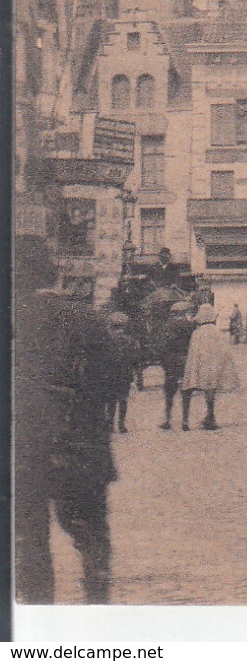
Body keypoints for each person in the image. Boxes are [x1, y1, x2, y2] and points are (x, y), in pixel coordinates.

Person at [15, 244, 120, 605]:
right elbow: (112, 380)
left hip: (24, 447)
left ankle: (37, 613)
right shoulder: (85, 316)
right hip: (82, 441)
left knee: (28, 540)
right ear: (53, 273)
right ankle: (97, 594)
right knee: (91, 531)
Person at [181, 305, 241, 429]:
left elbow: (193, 352)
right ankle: (210, 417)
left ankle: (185, 422)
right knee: (210, 391)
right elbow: (223, 351)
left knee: (188, 389)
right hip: (212, 365)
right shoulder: (216, 331)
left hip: (197, 365)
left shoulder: (197, 333)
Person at [101, 312, 142, 435]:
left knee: (112, 400)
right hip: (124, 374)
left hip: (112, 374)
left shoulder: (107, 341)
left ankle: (111, 424)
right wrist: (138, 376)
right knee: (122, 400)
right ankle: (121, 425)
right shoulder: (131, 341)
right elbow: (137, 359)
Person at [158, 300, 195, 430]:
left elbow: (163, 344)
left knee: (169, 392)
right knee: (186, 391)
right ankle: (185, 422)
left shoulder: (168, 325)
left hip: (171, 360)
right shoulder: (190, 325)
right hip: (186, 359)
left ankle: (167, 420)